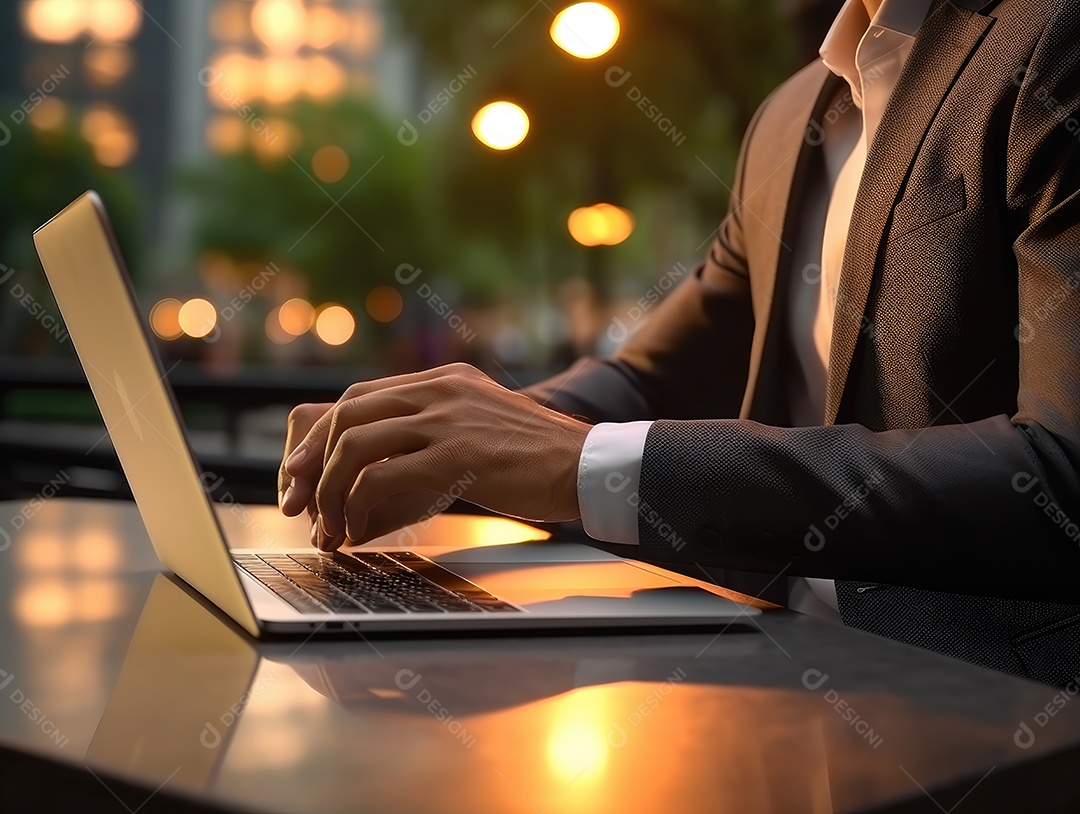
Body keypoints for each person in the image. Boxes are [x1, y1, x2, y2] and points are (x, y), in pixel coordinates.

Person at [277, 0, 1080, 687]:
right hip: (770, 661)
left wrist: (581, 464)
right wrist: (456, 437)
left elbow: (1062, 473)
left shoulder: (1051, 36)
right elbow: (654, 378)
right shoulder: (793, 113)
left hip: (994, 708)